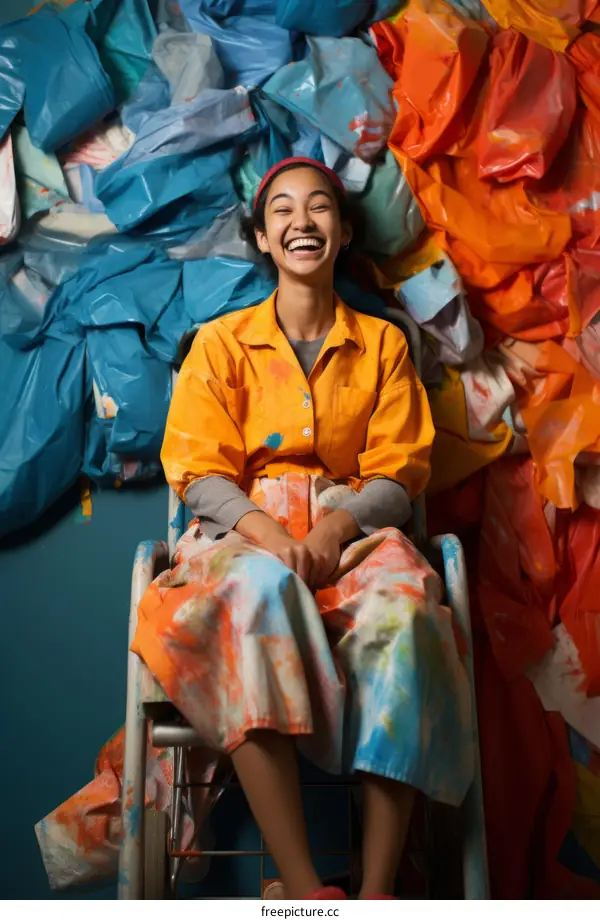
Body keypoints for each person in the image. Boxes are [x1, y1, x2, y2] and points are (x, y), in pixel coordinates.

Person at [132, 157, 473, 899]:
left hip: (351, 539)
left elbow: (400, 472)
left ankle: (376, 891)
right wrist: (271, 535)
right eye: (282, 211)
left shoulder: (383, 345)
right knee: (248, 595)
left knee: (409, 611)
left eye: (319, 208)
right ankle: (304, 886)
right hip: (241, 540)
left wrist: (332, 530)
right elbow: (196, 469)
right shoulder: (218, 345)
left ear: (344, 232)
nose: (301, 221)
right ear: (262, 237)